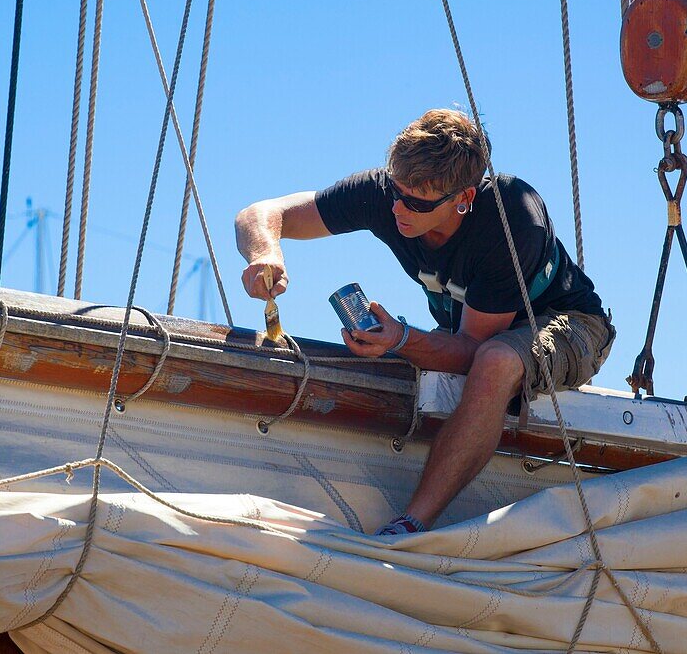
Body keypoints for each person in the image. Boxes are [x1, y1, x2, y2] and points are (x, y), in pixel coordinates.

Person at [234, 109, 614, 535]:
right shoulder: (387, 195)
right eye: (396, 192)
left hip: (570, 322)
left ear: (463, 198)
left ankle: (412, 524)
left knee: (496, 361)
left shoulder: (512, 218)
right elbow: (262, 213)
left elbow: (472, 352)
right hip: (473, 333)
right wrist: (265, 253)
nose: (398, 209)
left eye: (416, 202)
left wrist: (402, 340)